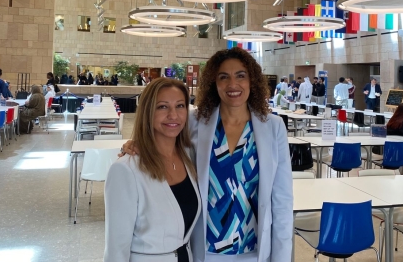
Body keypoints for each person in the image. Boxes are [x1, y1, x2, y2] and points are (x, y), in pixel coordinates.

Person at [122, 47, 293, 262]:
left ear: (252, 81)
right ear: (214, 83)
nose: (233, 85)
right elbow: (164, 138)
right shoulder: (195, 122)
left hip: (254, 249)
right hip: (205, 249)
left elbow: (282, 200)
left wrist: (282, 257)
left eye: (241, 76)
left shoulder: (273, 127)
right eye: (224, 77)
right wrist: (137, 143)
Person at [105, 78, 200, 262]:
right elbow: (116, 249)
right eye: (163, 107)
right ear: (148, 112)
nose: (173, 115)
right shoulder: (126, 170)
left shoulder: (189, 156)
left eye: (180, 106)